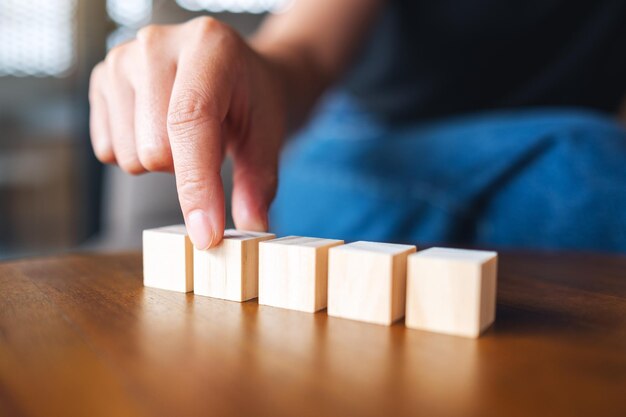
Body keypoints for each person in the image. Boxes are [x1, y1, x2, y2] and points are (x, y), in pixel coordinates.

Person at [89, 0, 626, 252]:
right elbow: (302, 53)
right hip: (366, 141)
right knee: (586, 167)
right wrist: (254, 70)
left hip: (570, 145)